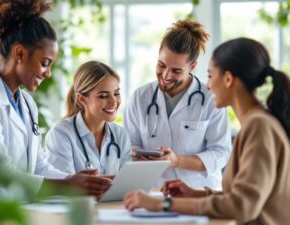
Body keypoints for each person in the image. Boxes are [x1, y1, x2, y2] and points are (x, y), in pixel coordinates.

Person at [123, 37, 290, 225]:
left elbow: (242, 205)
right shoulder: (257, 123)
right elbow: (242, 196)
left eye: (210, 76)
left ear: (228, 79)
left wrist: (164, 204)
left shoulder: (259, 126)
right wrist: (196, 194)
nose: (208, 85)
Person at [0, 0, 111, 198]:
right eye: (45, 63)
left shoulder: (27, 103)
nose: (48, 73)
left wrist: (72, 180)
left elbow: (38, 166)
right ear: (20, 53)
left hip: (23, 210)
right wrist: (67, 186)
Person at [123, 19, 231, 189]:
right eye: (161, 65)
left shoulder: (211, 98)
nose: (166, 75)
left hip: (199, 192)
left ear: (193, 67)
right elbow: (128, 145)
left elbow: (221, 153)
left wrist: (178, 161)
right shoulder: (140, 97)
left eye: (176, 70)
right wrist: (135, 155)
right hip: (154, 192)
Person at [45, 61, 131, 175]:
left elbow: (128, 183)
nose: (113, 102)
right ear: (82, 99)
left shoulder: (120, 135)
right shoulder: (61, 133)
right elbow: (63, 186)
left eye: (116, 94)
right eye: (103, 96)